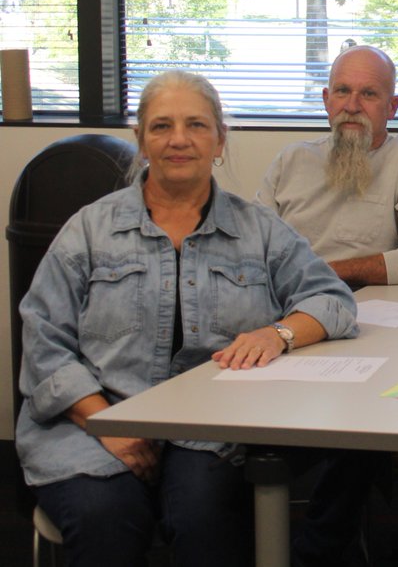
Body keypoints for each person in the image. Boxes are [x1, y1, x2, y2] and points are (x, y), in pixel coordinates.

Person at [16, 70, 358, 567]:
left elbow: (332, 300)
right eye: (162, 126)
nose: (179, 139)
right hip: (90, 421)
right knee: (105, 518)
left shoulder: (259, 229)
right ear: (141, 141)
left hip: (210, 431)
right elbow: (43, 339)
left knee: (207, 518)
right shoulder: (89, 229)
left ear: (220, 140)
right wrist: (104, 423)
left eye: (196, 125)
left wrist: (277, 333)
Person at [259, 44, 398, 287]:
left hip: (363, 301)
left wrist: (322, 272)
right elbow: (252, 247)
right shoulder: (291, 159)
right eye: (342, 91)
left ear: (392, 107)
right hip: (287, 297)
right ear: (327, 100)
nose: (352, 106)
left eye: (368, 94)